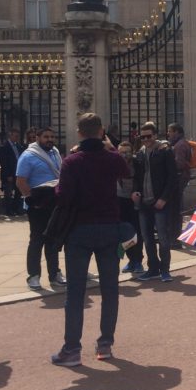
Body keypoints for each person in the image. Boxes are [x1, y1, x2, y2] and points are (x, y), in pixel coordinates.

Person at [50, 113, 130, 366]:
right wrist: (107, 145)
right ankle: (105, 344)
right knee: (110, 289)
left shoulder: (71, 161)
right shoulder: (112, 159)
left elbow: (63, 196)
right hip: (109, 228)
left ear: (79, 132)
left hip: (79, 230)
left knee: (75, 292)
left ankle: (72, 349)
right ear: (102, 131)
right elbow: (125, 169)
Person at [15, 125, 65, 291]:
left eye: (52, 137)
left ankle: (55, 273)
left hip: (54, 203)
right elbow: (21, 181)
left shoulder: (55, 153)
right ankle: (34, 275)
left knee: (53, 239)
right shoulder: (28, 156)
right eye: (46, 137)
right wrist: (32, 200)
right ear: (37, 138)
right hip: (37, 205)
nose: (50, 140)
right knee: (37, 240)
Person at [132, 122, 178, 283]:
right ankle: (153, 268)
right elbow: (137, 177)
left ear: (155, 136)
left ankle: (165, 269)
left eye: (148, 136)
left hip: (160, 202)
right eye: (142, 137)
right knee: (146, 236)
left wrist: (164, 199)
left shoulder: (165, 151)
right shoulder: (140, 153)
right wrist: (135, 191)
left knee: (163, 238)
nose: (145, 139)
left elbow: (172, 177)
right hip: (144, 201)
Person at [117, 140, 144, 275]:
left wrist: (138, 192)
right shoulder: (114, 163)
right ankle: (131, 260)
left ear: (132, 152)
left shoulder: (138, 164)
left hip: (134, 202)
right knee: (123, 234)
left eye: (127, 152)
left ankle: (138, 260)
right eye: (122, 152)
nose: (125, 155)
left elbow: (142, 180)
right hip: (119, 201)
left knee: (136, 233)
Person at [166, 122, 192, 249]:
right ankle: (174, 238)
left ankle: (175, 240)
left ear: (176, 132)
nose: (168, 134)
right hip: (180, 179)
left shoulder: (180, 145)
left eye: (170, 131)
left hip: (178, 180)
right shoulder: (180, 144)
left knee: (175, 211)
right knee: (175, 210)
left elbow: (179, 164)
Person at [0, 126, 25, 216]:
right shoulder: (4, 147)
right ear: (10, 136)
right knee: (8, 194)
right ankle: (8, 211)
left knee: (18, 192)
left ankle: (15, 209)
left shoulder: (18, 145)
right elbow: (4, 162)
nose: (17, 138)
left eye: (18, 136)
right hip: (9, 174)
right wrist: (8, 175)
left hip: (18, 173)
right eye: (15, 136)